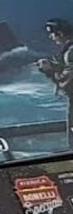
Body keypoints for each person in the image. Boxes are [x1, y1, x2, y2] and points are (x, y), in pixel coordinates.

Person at [38, 18, 73, 149]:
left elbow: (68, 83)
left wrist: (49, 70)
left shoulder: (70, 52)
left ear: (61, 33)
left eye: (52, 33)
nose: (51, 37)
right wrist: (56, 67)